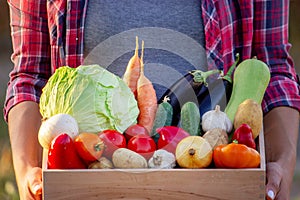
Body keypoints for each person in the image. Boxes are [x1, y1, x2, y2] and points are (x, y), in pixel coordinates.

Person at [3, 0, 299, 199]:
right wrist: (29, 168)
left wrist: (281, 163)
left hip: (213, 176)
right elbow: (31, 74)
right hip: (86, 175)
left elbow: (273, 65)